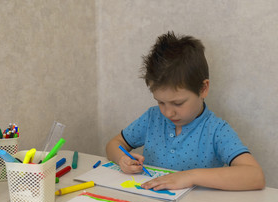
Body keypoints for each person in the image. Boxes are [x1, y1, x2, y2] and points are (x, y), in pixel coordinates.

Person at [106, 31, 265, 191]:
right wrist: (122, 159)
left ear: (203, 89)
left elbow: (255, 176)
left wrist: (190, 176)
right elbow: (114, 144)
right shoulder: (152, 118)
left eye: (178, 103)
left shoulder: (216, 130)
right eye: (161, 102)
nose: (168, 113)